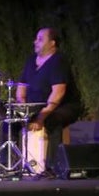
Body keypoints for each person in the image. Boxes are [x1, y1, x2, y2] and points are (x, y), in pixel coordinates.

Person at [16, 26, 83, 176]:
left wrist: (41, 117)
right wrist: (21, 109)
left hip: (61, 106)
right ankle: (11, 164)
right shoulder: (31, 60)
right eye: (36, 38)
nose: (35, 42)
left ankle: (53, 167)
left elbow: (58, 93)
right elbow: (21, 87)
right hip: (35, 107)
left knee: (52, 120)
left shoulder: (58, 61)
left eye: (40, 39)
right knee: (9, 121)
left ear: (52, 43)